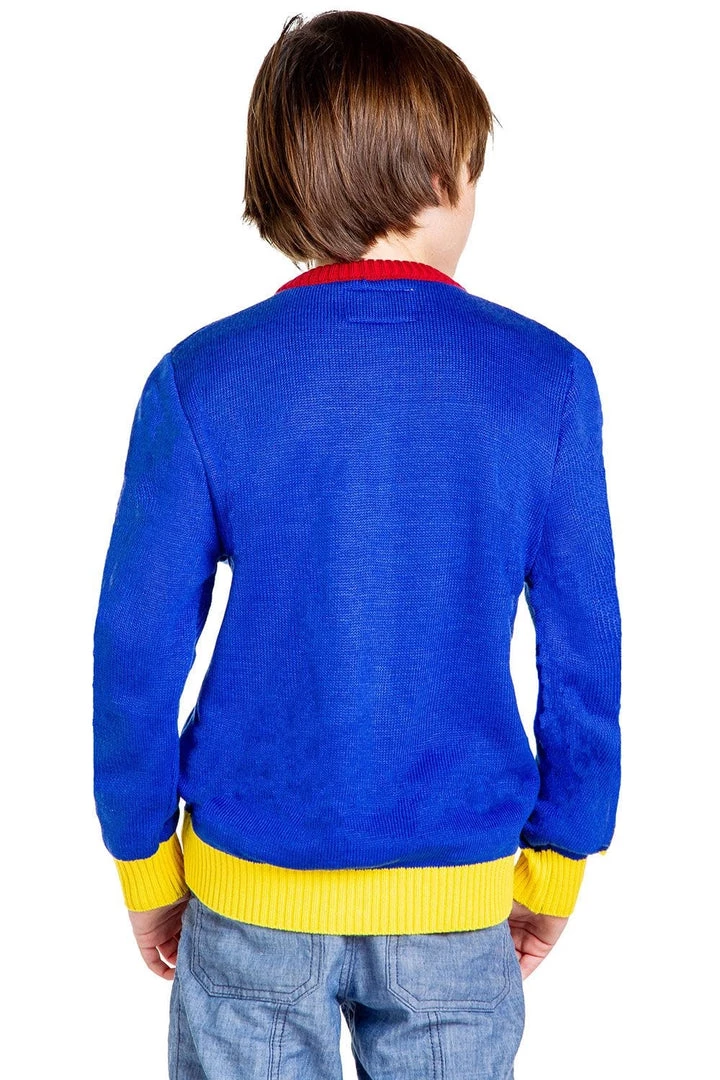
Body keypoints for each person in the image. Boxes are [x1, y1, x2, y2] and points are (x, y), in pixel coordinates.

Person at [92, 10, 622, 1079]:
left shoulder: (200, 379)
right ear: (438, 175)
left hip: (248, 891)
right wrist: (559, 860)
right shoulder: (547, 382)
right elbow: (585, 654)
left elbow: (135, 650)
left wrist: (144, 863)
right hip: (457, 897)